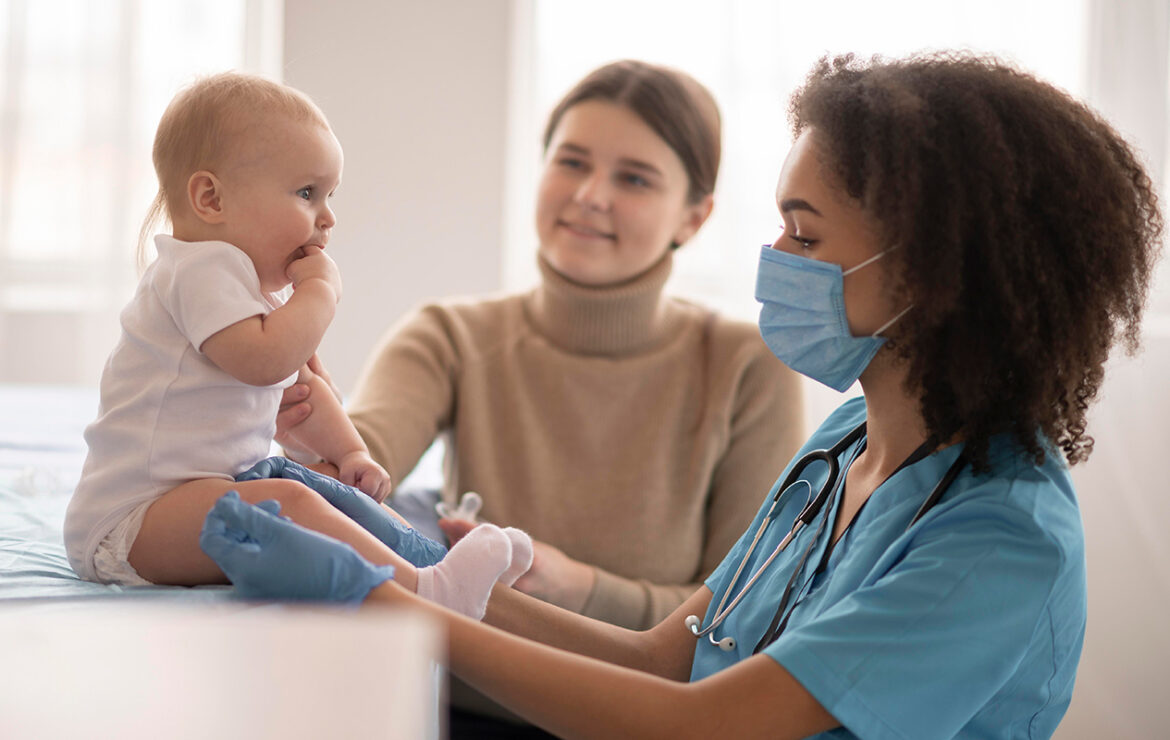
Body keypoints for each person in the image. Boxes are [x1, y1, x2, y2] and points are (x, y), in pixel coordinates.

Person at [201, 51, 1163, 738]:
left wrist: (384, 605)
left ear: (931, 273)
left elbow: (700, 723)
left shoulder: (995, 539)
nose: (775, 260)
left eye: (805, 235)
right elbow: (672, 653)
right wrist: (405, 563)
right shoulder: (847, 442)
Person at [277, 60, 804, 733]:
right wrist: (308, 427)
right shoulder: (451, 335)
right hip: (461, 713)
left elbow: (742, 619)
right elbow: (356, 464)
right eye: (571, 162)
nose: (589, 195)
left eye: (634, 178)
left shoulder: (746, 367)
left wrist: (578, 588)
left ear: (694, 217)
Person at [64, 73, 528, 621]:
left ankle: (441, 564)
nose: (327, 217)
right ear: (210, 198)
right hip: (132, 523)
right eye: (307, 194)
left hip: (203, 496)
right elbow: (267, 364)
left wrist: (351, 452)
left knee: (321, 490)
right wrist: (321, 293)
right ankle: (429, 591)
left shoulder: (254, 293)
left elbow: (301, 389)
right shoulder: (196, 270)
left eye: (330, 196)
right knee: (292, 503)